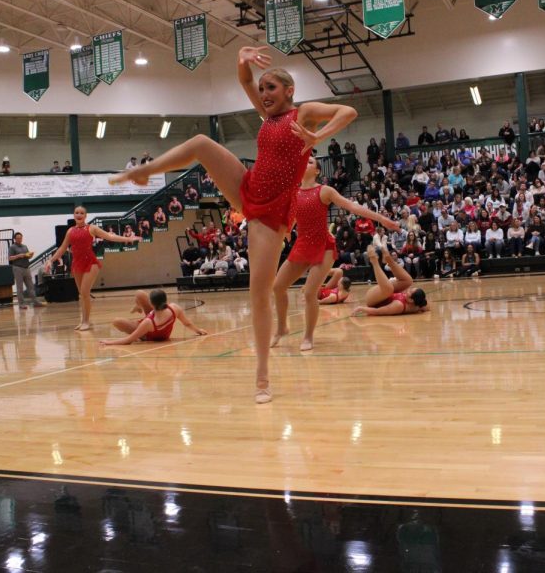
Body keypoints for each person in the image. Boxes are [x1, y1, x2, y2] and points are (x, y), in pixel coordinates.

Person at [109, 46, 358, 403]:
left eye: (271, 88)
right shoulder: (267, 117)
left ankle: (262, 375)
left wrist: (318, 136)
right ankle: (146, 170)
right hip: (249, 186)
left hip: (273, 212)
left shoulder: (303, 114)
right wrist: (242, 61)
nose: (264, 94)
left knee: (259, 292)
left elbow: (347, 111)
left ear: (289, 90)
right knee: (200, 144)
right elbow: (243, 78)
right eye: (262, 90)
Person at [272, 155, 398, 351]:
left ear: (317, 171)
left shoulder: (324, 191)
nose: (306, 162)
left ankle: (308, 337)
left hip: (324, 247)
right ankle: (281, 327)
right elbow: (292, 220)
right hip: (302, 245)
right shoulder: (293, 193)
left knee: (310, 293)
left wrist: (381, 219)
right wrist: (286, 232)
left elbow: (353, 207)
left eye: (311, 161)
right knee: (278, 286)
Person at [45, 205, 139, 331]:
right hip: (77, 263)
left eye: (81, 213)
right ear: (74, 215)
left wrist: (128, 238)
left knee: (84, 292)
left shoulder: (92, 228)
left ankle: (86, 322)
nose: (79, 214)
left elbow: (110, 237)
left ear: (85, 215)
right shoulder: (70, 231)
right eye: (76, 212)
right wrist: (51, 260)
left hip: (91, 262)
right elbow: (62, 248)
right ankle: (83, 321)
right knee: (82, 295)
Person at [101, 289, 207, 345]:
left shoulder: (148, 322)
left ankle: (140, 334)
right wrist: (198, 331)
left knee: (116, 321)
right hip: (153, 320)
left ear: (151, 304)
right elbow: (187, 323)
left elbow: (128, 340)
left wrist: (109, 342)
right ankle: (138, 307)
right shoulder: (174, 308)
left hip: (146, 332)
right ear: (166, 300)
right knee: (140, 294)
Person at [352, 246, 429, 316]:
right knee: (408, 281)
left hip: (372, 299)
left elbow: (378, 311)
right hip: (385, 293)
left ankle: (374, 262)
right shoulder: (419, 303)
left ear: (411, 300)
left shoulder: (398, 306)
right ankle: (389, 259)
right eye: (411, 289)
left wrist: (361, 308)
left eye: (410, 292)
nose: (408, 290)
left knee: (389, 289)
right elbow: (426, 306)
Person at [8, 232, 44, 309]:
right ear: (15, 239)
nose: (19, 239)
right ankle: (21, 304)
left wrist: (30, 255)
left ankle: (35, 302)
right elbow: (10, 258)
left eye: (20, 238)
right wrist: (18, 256)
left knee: (31, 286)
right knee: (20, 287)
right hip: (18, 268)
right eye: (17, 238)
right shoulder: (12, 247)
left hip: (26, 268)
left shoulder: (25, 246)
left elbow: (27, 256)